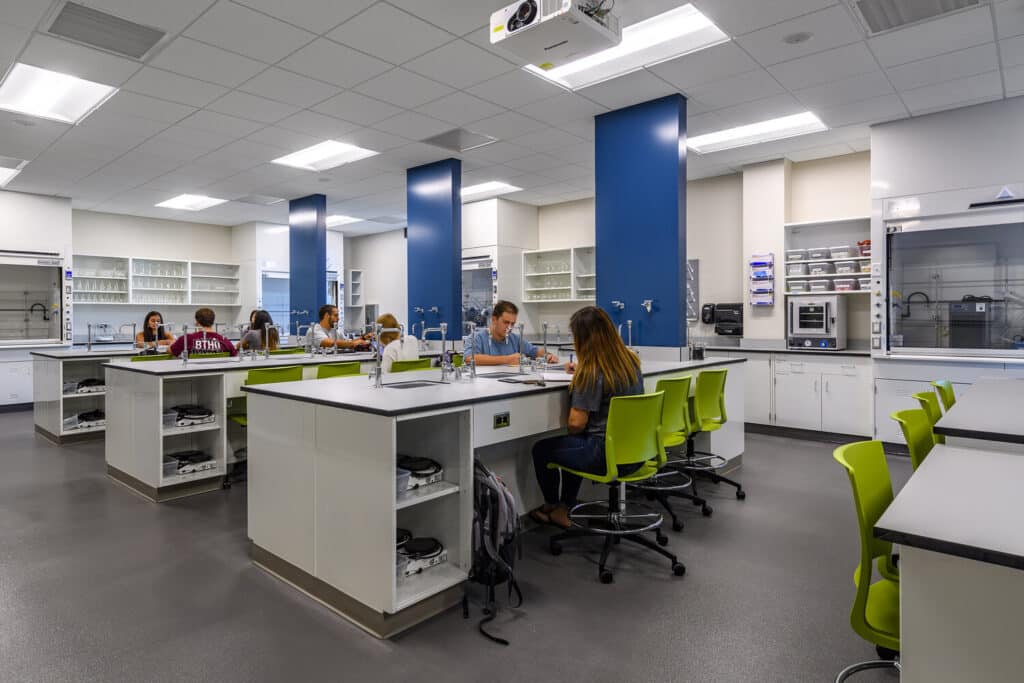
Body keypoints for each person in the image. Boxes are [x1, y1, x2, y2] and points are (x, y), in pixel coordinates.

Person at [529, 306, 645, 529]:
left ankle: (553, 506)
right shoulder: (630, 362)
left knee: (543, 450)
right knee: (578, 444)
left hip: (605, 456)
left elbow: (575, 424)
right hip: (636, 453)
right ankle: (564, 508)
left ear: (583, 338)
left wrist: (580, 382)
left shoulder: (591, 372)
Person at [463, 300, 558, 366]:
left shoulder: (515, 339)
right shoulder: (477, 338)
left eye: (512, 323)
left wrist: (548, 355)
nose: (510, 327)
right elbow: (468, 358)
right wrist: (507, 359)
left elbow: (534, 351)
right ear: (494, 319)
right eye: (506, 322)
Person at [167, 308, 237, 357]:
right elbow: (234, 355)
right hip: (218, 373)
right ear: (212, 322)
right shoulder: (224, 341)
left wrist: (172, 342)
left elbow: (170, 351)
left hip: (192, 374)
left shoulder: (186, 339)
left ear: (197, 322)